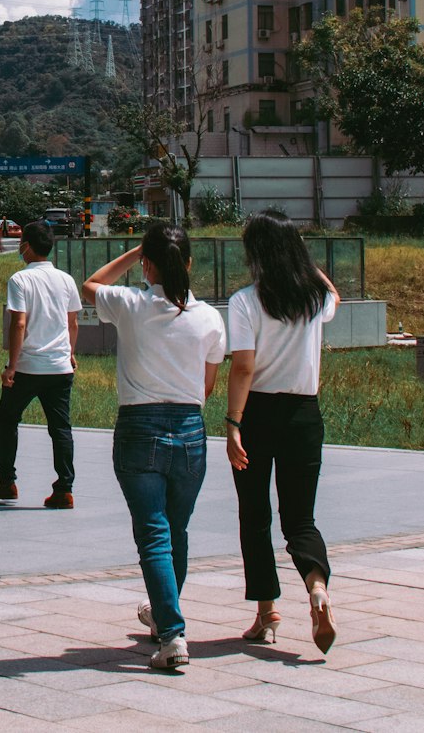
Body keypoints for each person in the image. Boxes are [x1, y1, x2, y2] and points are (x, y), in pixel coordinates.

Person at [82, 224, 226, 670]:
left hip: (139, 428)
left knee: (153, 535)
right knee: (173, 532)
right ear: (189, 263)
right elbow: (207, 386)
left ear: (148, 264)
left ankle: (172, 634)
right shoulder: (208, 317)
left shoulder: (132, 304)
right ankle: (165, 618)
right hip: (189, 430)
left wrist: (134, 252)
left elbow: (89, 286)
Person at [225, 209, 341, 655]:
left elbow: (243, 366)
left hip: (257, 415)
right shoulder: (313, 299)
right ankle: (317, 588)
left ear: (256, 253)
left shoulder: (245, 301)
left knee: (254, 516)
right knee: (300, 519)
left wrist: (233, 423)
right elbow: (334, 293)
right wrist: (304, 263)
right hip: (304, 416)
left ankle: (267, 613)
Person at [0, 220, 81, 509]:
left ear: (26, 245)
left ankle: (7, 482)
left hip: (27, 366)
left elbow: (19, 323)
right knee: (60, 428)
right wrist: (71, 352)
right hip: (59, 367)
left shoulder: (20, 280)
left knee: (7, 421)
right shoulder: (66, 279)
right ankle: (64, 488)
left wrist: (11, 366)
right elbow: (72, 322)